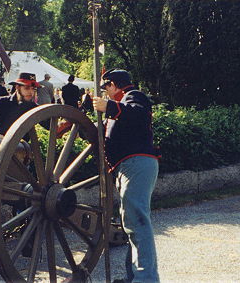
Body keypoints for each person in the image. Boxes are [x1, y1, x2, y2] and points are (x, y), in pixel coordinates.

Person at [91, 69, 160, 283]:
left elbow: (137, 114)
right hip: (128, 166)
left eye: (107, 89)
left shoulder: (133, 96)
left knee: (137, 221)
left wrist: (109, 107)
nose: (106, 94)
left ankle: (145, 279)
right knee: (131, 222)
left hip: (137, 163)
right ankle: (135, 276)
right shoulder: (119, 108)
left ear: (113, 84)